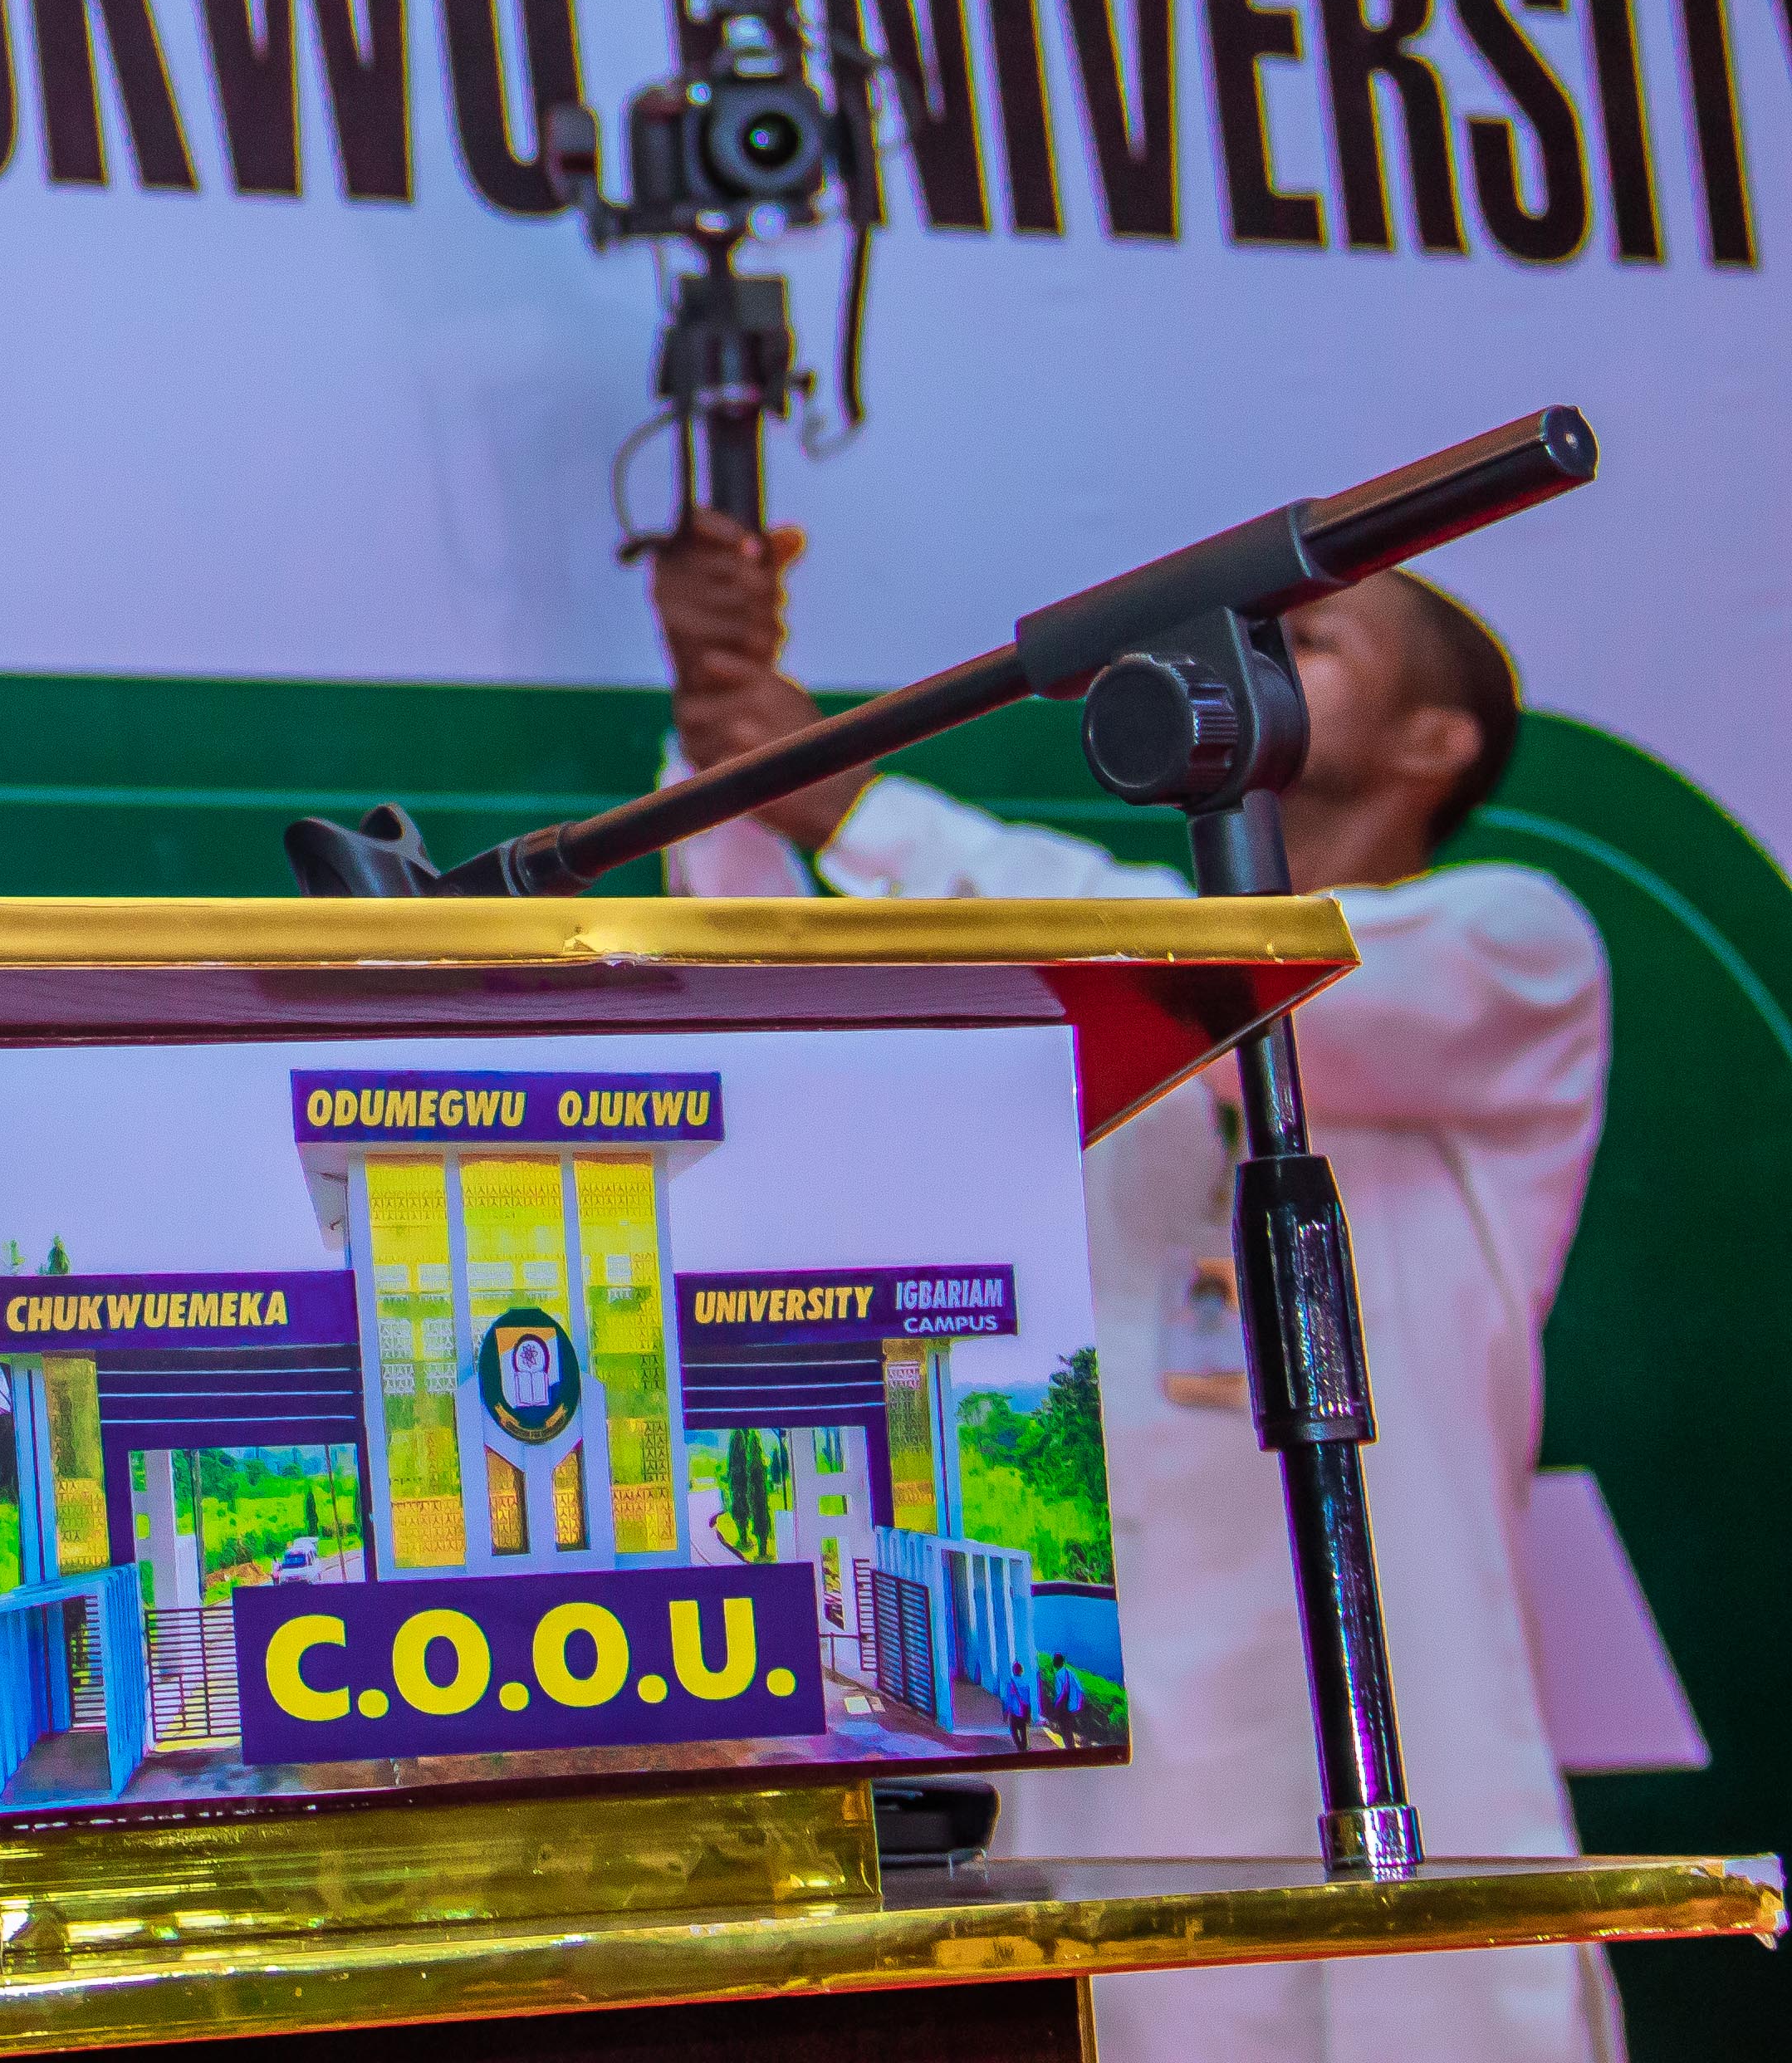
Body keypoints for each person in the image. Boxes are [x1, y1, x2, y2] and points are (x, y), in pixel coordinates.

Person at [651, 512, 1613, 2061]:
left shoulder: (1511, 950)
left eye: (1305, 645)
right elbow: (787, 972)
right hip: (1117, 1751)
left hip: (1393, 1718)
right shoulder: (1080, 1009)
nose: (1243, 666)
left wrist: (863, 801)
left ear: (1440, 741)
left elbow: (1249, 979)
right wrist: (730, 707)